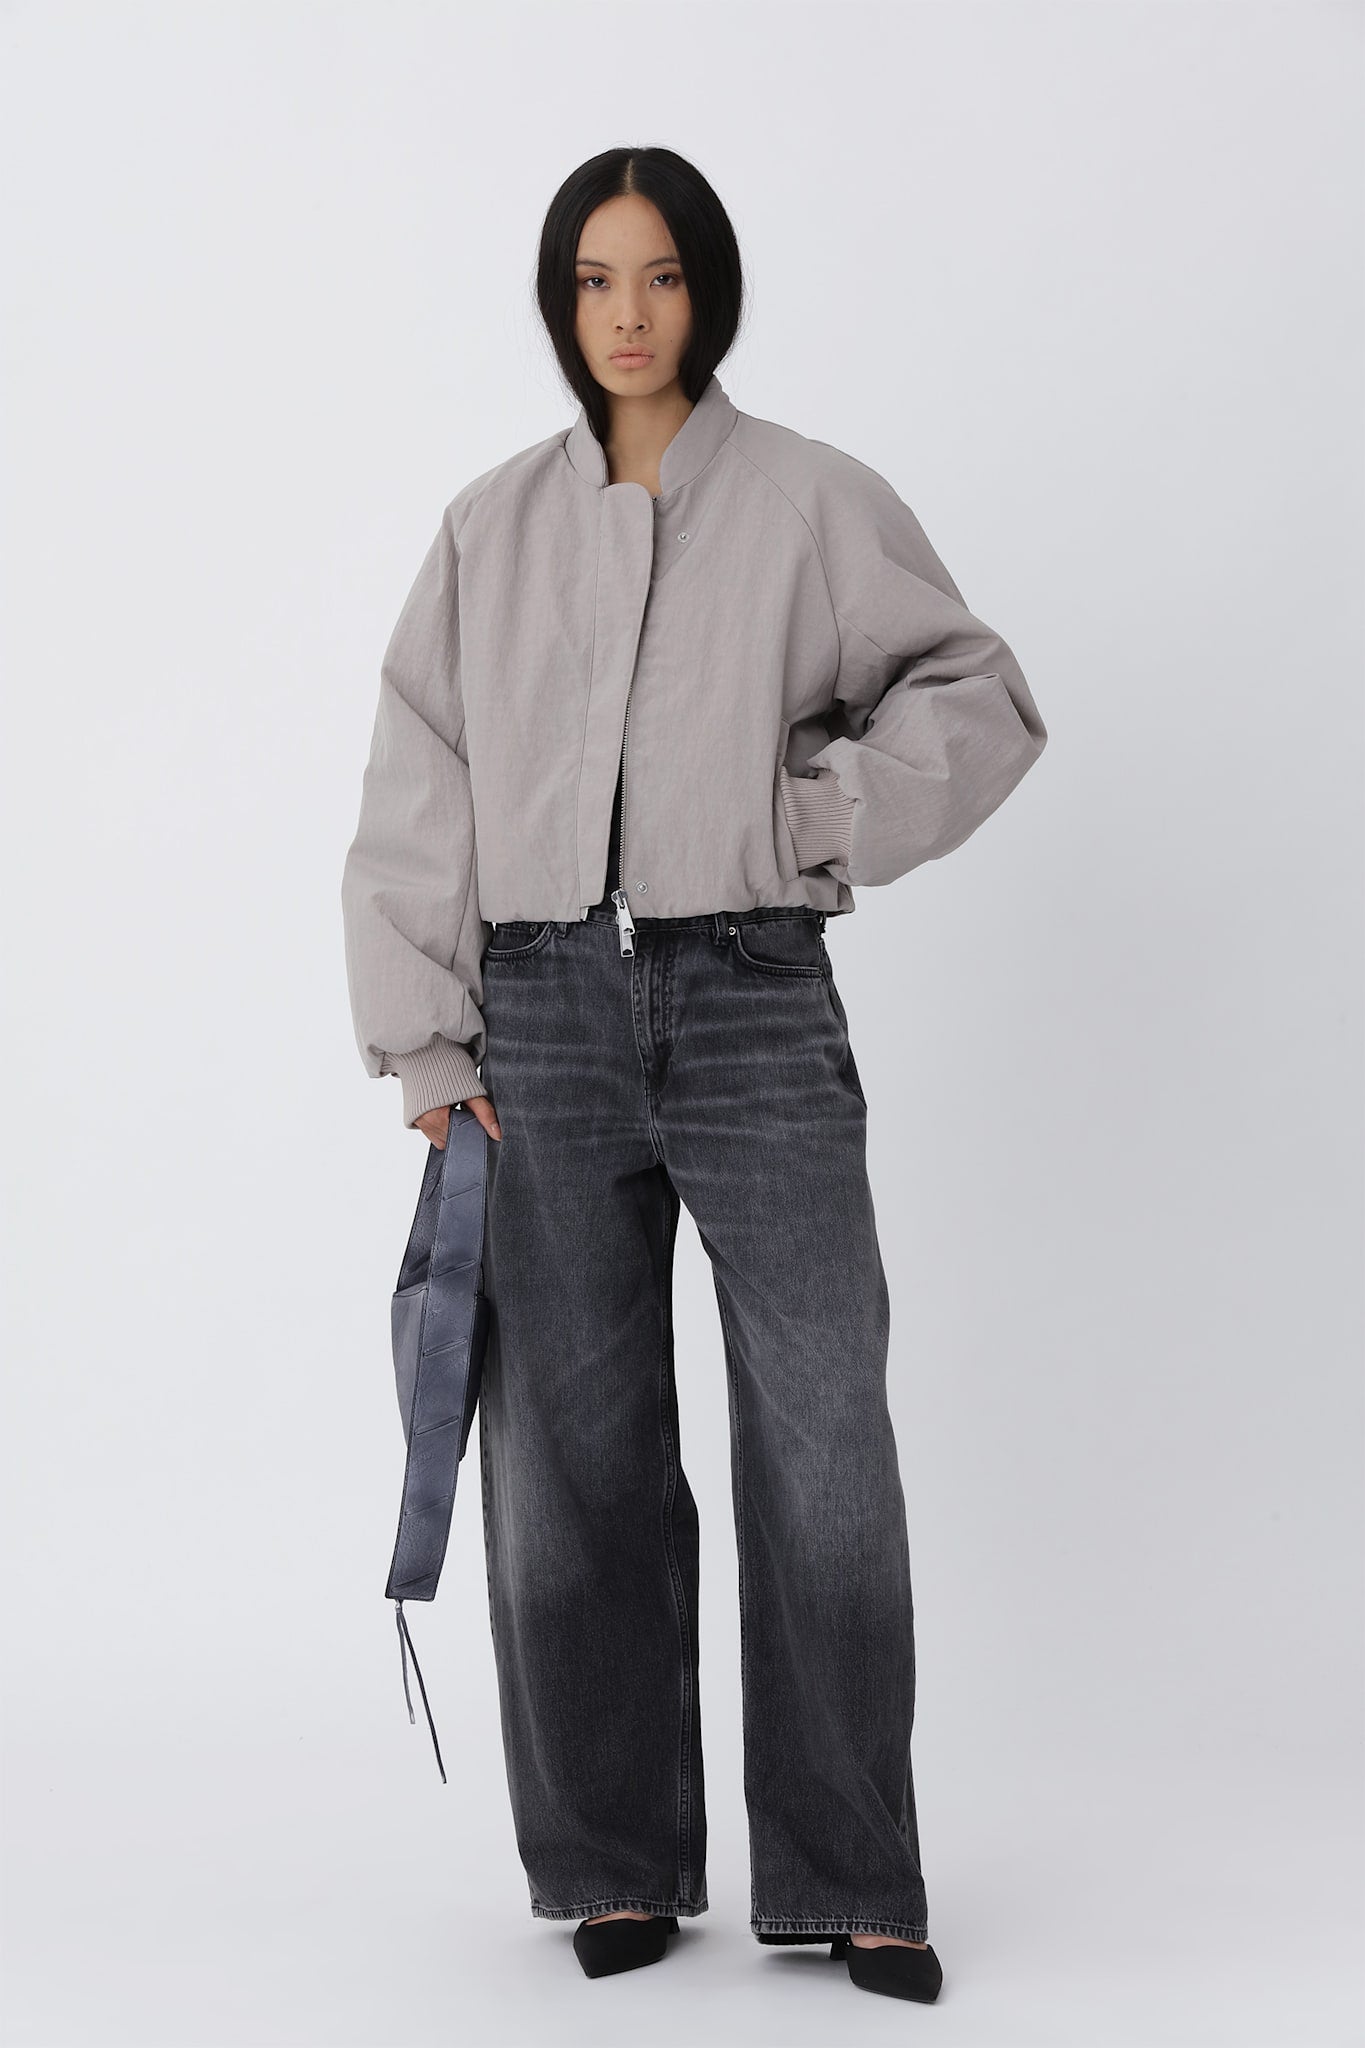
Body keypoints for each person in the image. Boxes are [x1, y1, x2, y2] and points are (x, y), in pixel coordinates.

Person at [341, 144, 1047, 2005]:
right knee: (570, 1459)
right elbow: (423, 781)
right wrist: (424, 1038)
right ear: (559, 301)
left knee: (823, 1440)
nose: (628, 314)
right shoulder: (490, 527)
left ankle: (853, 1879)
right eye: (594, 279)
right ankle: (613, 1865)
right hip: (540, 1021)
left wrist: (806, 817)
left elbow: (975, 695)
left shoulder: (810, 499)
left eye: (658, 275)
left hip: (748, 999)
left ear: (707, 289)